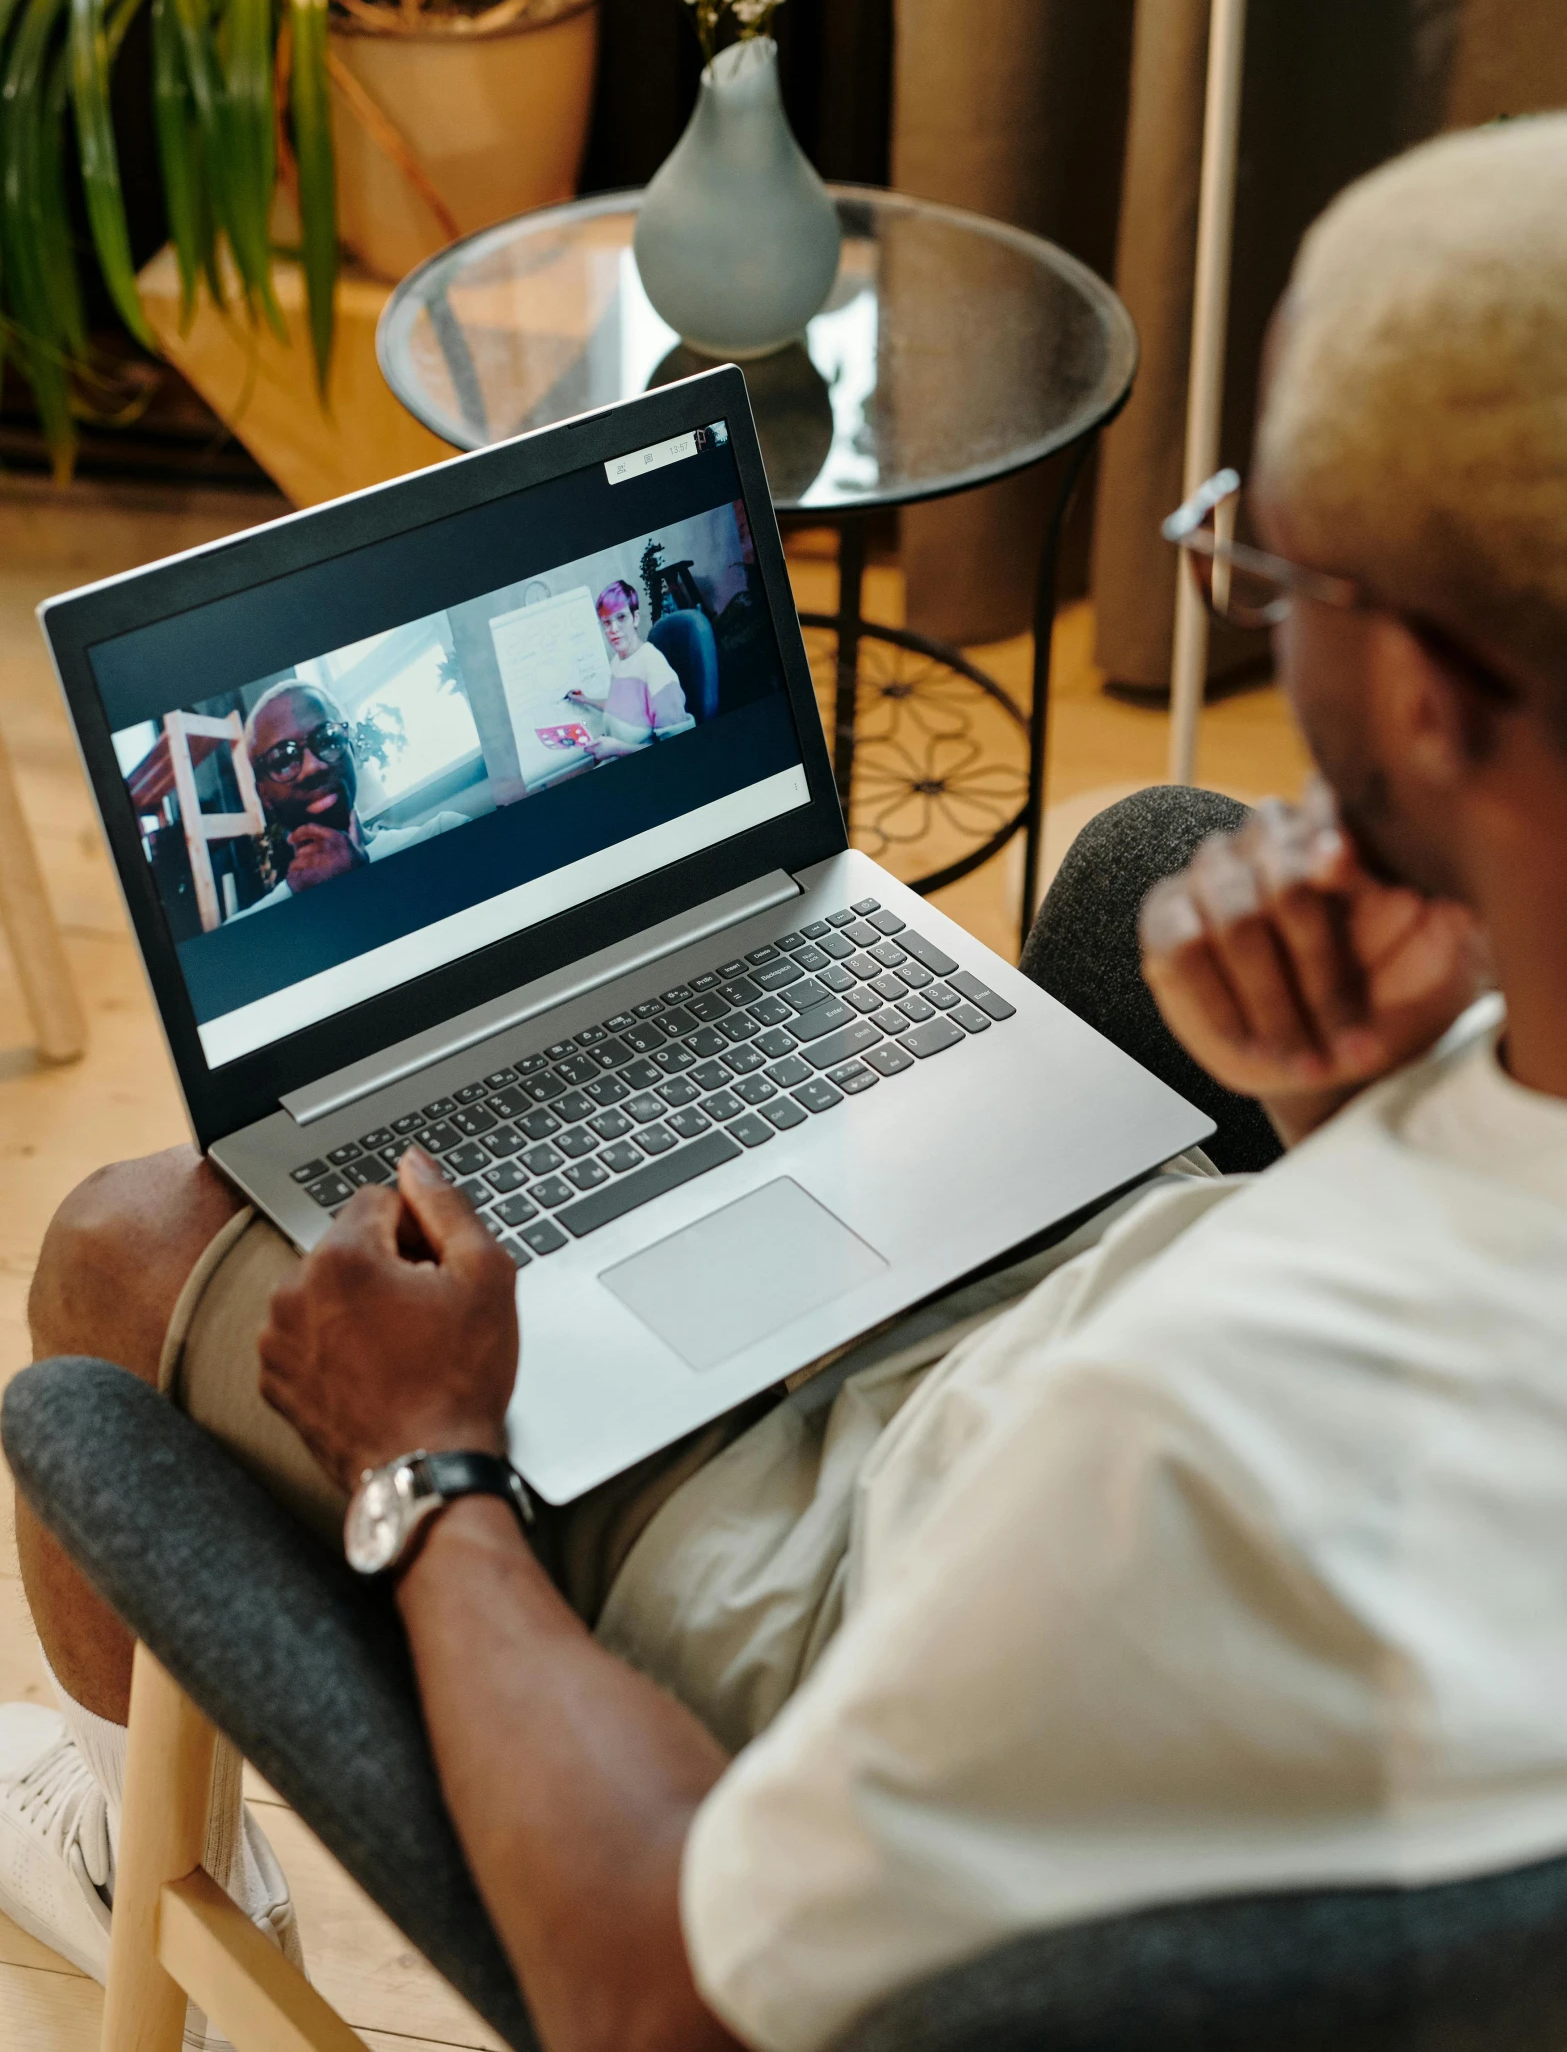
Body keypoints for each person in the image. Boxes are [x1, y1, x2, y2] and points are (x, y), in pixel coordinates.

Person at [5, 113, 1567, 2052]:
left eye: (1262, 556)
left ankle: (101, 1834)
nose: (1244, 582)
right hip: (1120, 1294)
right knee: (1120, 859)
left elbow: (662, 2002)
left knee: (115, 1239)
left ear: (1421, 689)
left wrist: (436, 1461)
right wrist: (1360, 1118)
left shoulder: (1163, 1448)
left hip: (849, 1556)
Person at [232, 681, 468, 915]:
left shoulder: (447, 839)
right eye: (283, 759)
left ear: (352, 750)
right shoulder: (242, 938)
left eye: (327, 739)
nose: (313, 766)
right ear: (264, 796)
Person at [565, 579, 694, 760]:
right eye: (606, 623)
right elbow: (624, 705)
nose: (614, 629)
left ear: (635, 618)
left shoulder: (655, 668)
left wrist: (618, 748)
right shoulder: (618, 661)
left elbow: (678, 750)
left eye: (621, 617)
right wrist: (586, 700)